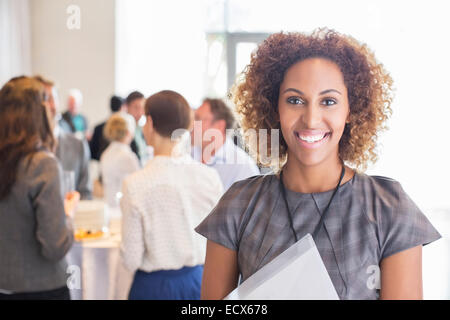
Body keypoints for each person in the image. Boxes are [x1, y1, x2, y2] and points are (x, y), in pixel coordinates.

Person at [195, 29, 442, 300]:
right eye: (295, 100)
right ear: (274, 107)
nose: (311, 119)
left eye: (328, 101)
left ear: (352, 109)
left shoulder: (389, 208)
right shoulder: (239, 204)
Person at [120, 90, 223, 300]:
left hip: (154, 288)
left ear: (149, 123)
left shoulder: (136, 184)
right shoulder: (209, 177)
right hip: (200, 282)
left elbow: (131, 259)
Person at [0, 76, 79, 300]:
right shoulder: (41, 164)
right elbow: (54, 247)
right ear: (39, 113)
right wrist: (68, 212)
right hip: (41, 288)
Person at [34, 76, 92, 200]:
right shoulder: (20, 148)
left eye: (50, 98)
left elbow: (85, 194)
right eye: (39, 99)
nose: (45, 105)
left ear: (58, 103)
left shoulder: (78, 146)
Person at [192, 98, 260, 191]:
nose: (192, 124)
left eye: (198, 119)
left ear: (219, 126)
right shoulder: (186, 154)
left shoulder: (244, 167)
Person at [100, 112, 140, 210]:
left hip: (108, 205)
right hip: (123, 207)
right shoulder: (127, 156)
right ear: (128, 132)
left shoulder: (106, 154)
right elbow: (139, 184)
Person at [90, 95, 126, 161]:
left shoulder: (98, 128)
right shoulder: (125, 130)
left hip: (100, 164)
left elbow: (92, 153)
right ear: (122, 107)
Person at [125, 91, 150, 165]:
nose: (140, 112)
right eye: (136, 107)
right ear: (127, 107)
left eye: (142, 108)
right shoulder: (121, 131)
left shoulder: (142, 129)